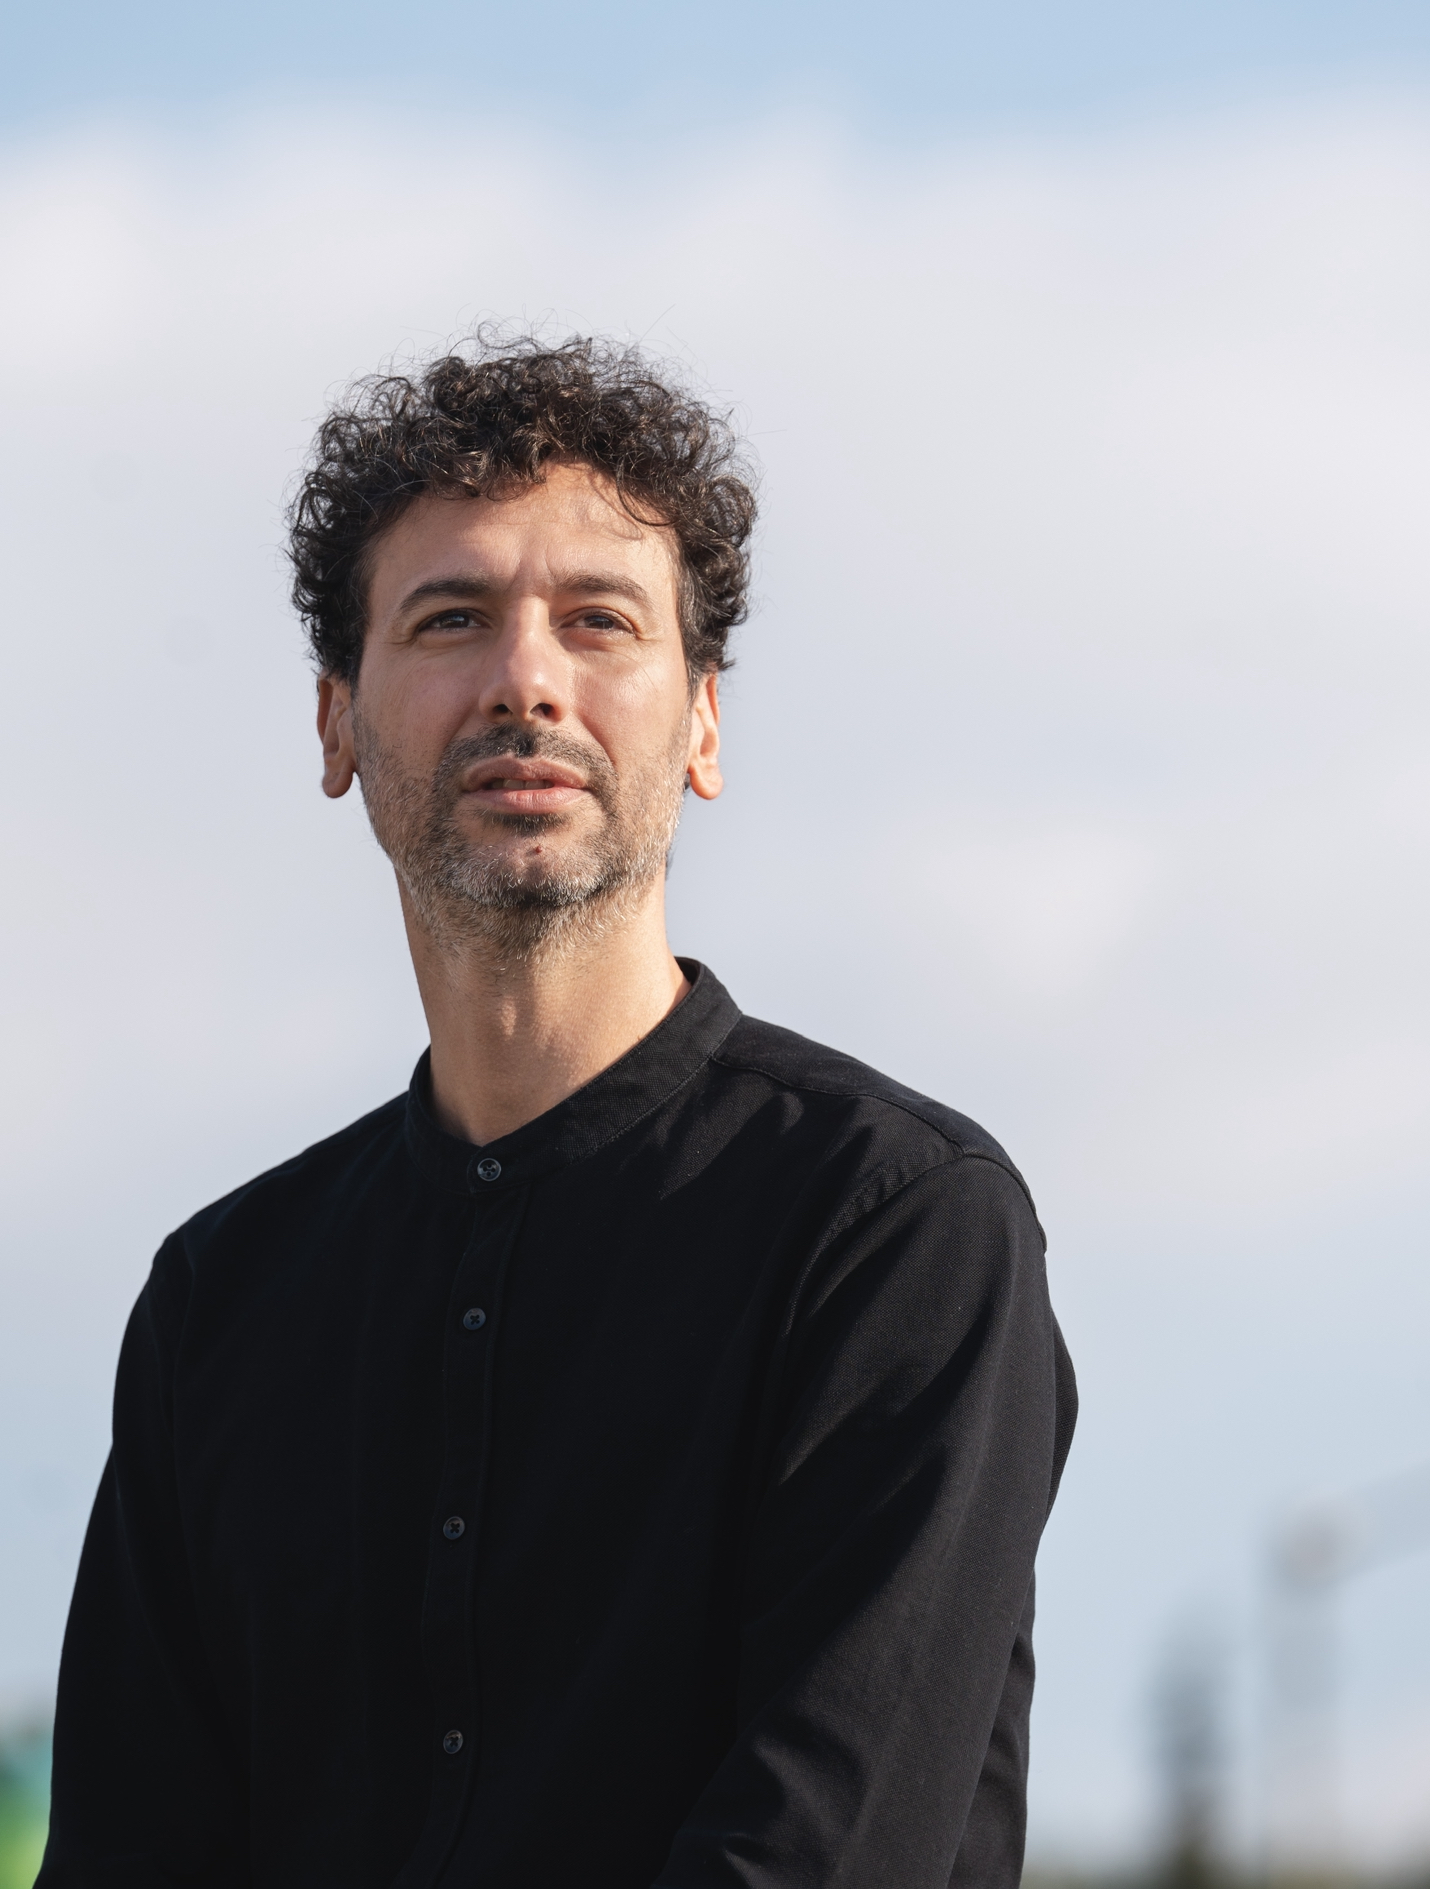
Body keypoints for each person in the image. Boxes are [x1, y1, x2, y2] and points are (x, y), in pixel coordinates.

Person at [40, 334, 1077, 1889]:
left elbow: (818, 1854)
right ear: (336, 723)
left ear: (703, 724)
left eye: (600, 621)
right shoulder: (220, 1304)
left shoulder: (892, 1227)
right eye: (451, 619)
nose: (526, 680)